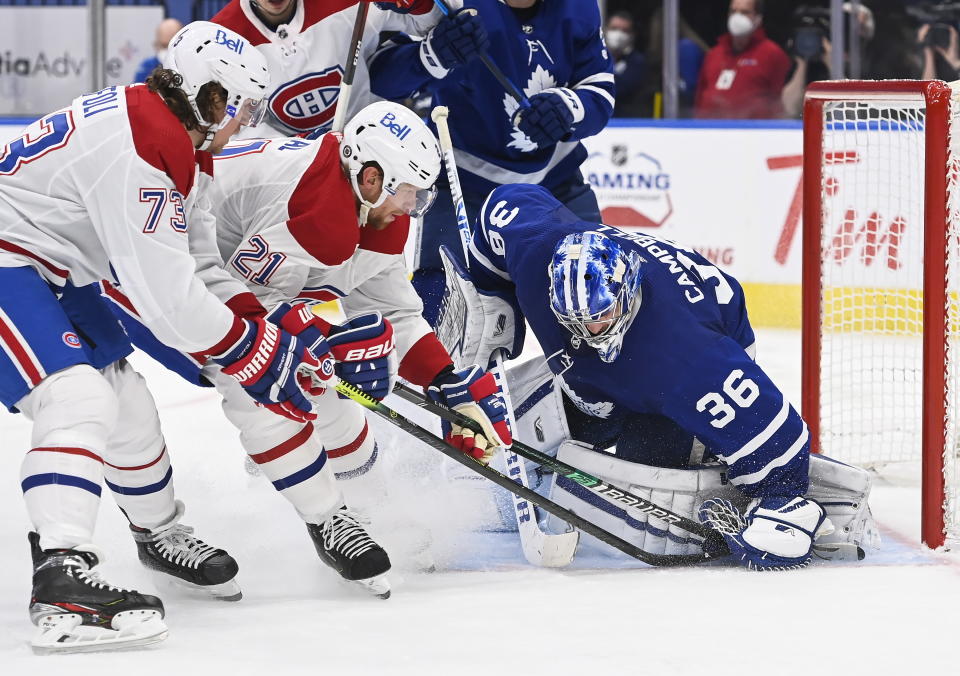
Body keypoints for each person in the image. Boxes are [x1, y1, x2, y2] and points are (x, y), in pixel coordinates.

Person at [0, 20, 329, 653]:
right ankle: (62, 573)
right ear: (210, 95)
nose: (247, 122)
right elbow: (168, 302)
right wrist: (255, 352)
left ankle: (158, 535)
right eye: (242, 107)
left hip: (49, 264)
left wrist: (271, 327)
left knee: (127, 403)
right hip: (9, 258)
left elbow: (202, 266)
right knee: (76, 400)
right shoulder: (144, 145)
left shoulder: (177, 139)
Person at [101, 100, 513, 597]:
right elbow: (245, 302)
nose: (411, 206)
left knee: (322, 390)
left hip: (216, 279)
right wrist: (325, 346)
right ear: (370, 177)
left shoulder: (371, 213)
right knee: (261, 385)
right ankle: (322, 522)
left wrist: (446, 381)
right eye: (406, 192)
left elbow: (397, 313)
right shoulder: (314, 206)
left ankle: (372, 512)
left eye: (419, 196)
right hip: (144, 270)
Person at [437, 182, 879, 570]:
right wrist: (493, 292)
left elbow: (780, 432)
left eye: (601, 317)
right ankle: (570, 435)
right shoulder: (536, 248)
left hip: (686, 353)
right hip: (617, 366)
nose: (589, 332)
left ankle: (708, 452)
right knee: (539, 404)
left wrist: (783, 501)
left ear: (627, 292)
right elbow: (507, 203)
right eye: (574, 320)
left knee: (647, 474)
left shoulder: (688, 358)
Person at [368, 0, 615, 325]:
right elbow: (380, 77)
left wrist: (568, 108)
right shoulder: (455, 3)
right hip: (464, 179)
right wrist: (430, 57)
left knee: (599, 292)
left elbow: (600, 91)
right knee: (442, 306)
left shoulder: (578, 7)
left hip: (555, 180)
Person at [210, 0, 444, 138]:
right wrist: (301, 151)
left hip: (371, 153)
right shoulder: (217, 41)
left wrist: (419, 5)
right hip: (286, 181)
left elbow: (430, 24)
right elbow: (227, 139)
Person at [693, 0, 791, 119]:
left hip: (752, 132)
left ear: (758, 18)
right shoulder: (714, 54)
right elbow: (699, 98)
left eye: (745, 12)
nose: (737, 17)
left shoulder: (773, 54)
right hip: (708, 130)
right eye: (733, 11)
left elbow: (782, 102)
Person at [605, 10, 646, 118]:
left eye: (625, 31)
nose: (618, 35)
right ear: (605, 30)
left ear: (632, 35)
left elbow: (618, 90)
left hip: (625, 120)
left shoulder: (637, 62)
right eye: (614, 29)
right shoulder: (595, 57)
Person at [133, 17, 184, 83]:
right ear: (156, 43)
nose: (167, 52)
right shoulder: (147, 66)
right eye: (164, 46)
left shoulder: (190, 66)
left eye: (171, 46)